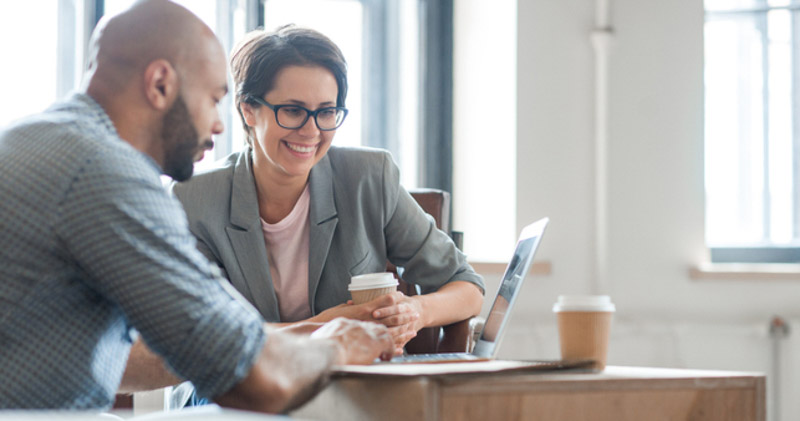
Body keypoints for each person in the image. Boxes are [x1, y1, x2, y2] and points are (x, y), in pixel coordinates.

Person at [0, 0, 393, 412]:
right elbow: (253, 381)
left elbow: (141, 360)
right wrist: (336, 345)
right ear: (160, 84)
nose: (220, 124)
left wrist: (302, 334)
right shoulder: (105, 172)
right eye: (213, 98)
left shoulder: (38, 138)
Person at [170, 25, 485, 354]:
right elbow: (205, 335)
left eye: (326, 112)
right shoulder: (194, 201)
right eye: (292, 111)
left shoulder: (368, 178)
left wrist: (414, 312)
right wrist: (324, 328)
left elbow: (467, 286)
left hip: (353, 384)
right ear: (248, 109)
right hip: (236, 384)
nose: (311, 130)